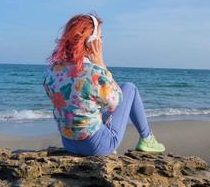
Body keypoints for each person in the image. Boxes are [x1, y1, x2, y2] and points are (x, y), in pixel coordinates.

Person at [43, 13, 165, 156]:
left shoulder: (52, 71)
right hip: (96, 146)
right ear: (90, 41)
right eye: (99, 38)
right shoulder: (92, 72)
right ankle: (147, 138)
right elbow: (116, 102)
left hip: (69, 143)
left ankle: (146, 138)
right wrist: (100, 64)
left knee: (90, 106)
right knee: (129, 88)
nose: (101, 42)